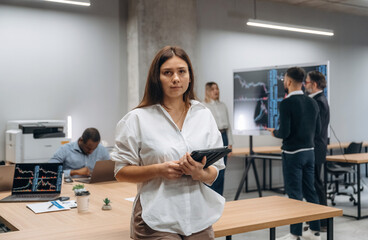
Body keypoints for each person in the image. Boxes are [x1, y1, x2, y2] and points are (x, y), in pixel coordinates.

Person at [111, 46, 225, 240]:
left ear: (190, 76)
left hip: (197, 216)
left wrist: (200, 173)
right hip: (156, 217)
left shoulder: (203, 114)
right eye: (167, 73)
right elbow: (120, 172)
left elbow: (216, 169)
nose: (176, 78)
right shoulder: (137, 119)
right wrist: (159, 170)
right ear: (157, 78)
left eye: (182, 71)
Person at [267, 67, 321, 240]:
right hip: (310, 153)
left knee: (295, 194)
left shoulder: (287, 103)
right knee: (310, 191)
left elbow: (285, 132)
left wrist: (274, 132)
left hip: (293, 154)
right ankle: (315, 231)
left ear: (289, 82)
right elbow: (318, 130)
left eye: (284, 80)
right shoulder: (313, 102)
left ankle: (295, 233)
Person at [304, 70, 330, 231]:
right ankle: (317, 219)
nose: (305, 85)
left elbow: (315, 129)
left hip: (315, 149)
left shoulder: (318, 101)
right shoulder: (317, 99)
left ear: (314, 84)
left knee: (316, 185)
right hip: (315, 148)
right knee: (313, 185)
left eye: (306, 82)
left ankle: (323, 221)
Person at [203, 82, 233, 195]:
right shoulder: (203, 106)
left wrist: (230, 144)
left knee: (222, 171)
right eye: (212, 89)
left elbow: (228, 125)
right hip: (211, 139)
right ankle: (210, 197)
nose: (216, 91)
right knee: (211, 170)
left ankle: (219, 196)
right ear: (207, 91)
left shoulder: (223, 105)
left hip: (223, 137)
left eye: (217, 88)